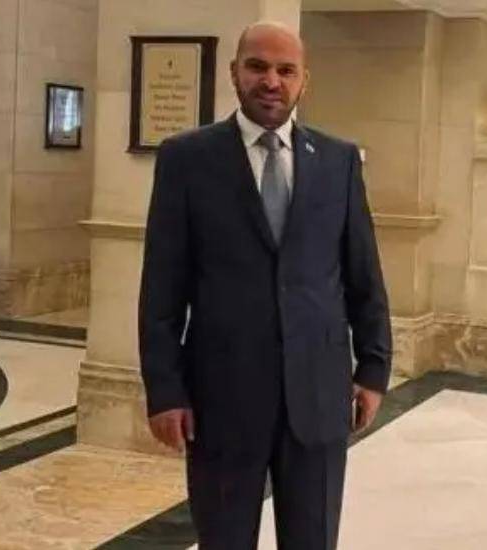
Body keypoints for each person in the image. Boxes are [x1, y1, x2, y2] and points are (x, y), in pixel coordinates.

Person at [138, 21, 392, 550]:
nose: (271, 81)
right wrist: (165, 391)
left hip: (318, 395)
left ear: (304, 80)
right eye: (257, 67)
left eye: (285, 70)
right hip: (221, 398)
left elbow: (363, 274)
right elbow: (162, 289)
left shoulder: (339, 161)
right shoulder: (187, 159)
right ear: (234, 73)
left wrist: (373, 369)